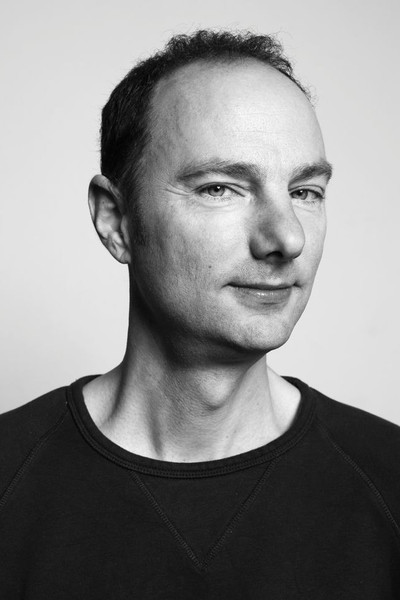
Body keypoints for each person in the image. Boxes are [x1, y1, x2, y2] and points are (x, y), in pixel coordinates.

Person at [0, 30, 399, 599]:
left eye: (305, 191)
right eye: (221, 188)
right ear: (116, 221)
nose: (286, 238)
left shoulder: (388, 481)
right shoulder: (11, 477)